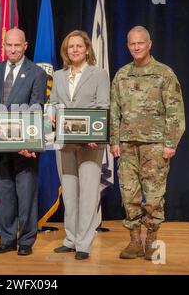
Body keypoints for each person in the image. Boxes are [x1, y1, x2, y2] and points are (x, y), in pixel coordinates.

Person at [110, 26, 185, 260]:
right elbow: (114, 111)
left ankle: (151, 240)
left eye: (140, 43)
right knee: (129, 195)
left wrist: (170, 142)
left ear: (149, 44)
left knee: (153, 196)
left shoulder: (164, 74)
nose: (136, 47)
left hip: (155, 145)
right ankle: (134, 241)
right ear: (128, 45)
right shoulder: (122, 75)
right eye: (132, 43)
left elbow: (175, 112)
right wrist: (114, 140)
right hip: (127, 145)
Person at [0, 28, 46, 256]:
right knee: (3, 194)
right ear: (4, 46)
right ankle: (6, 239)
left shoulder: (37, 73)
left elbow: (36, 108)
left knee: (27, 193)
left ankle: (26, 240)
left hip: (24, 148)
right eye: (9, 45)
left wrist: (26, 141)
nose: (13, 49)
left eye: (17, 45)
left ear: (25, 46)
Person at [50, 30, 110, 260]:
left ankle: (84, 243)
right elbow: (54, 102)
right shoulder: (58, 75)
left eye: (78, 46)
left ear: (87, 49)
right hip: (65, 142)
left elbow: (103, 107)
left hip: (91, 143)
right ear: (66, 51)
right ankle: (71, 239)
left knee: (87, 193)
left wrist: (96, 132)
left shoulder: (99, 74)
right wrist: (53, 113)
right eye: (70, 47)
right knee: (70, 192)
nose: (74, 50)